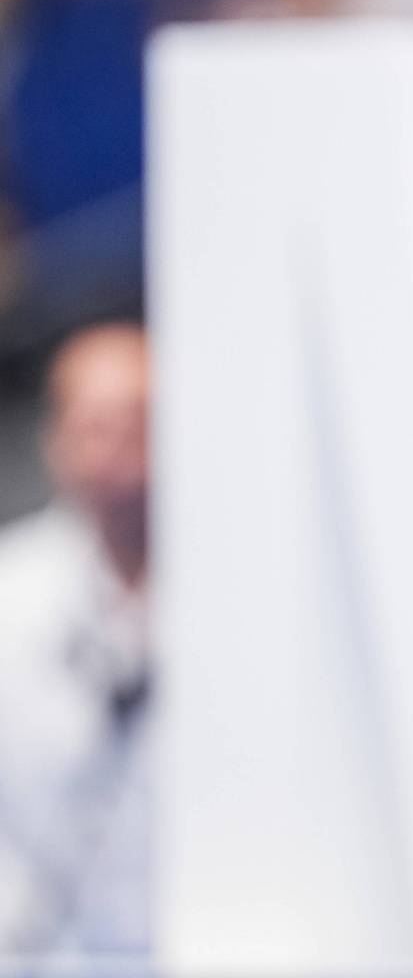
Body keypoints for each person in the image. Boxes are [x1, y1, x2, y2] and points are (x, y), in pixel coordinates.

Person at [0, 322, 152, 959]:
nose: (112, 453)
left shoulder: (247, 594)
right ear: (54, 441)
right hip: (39, 944)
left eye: (135, 425)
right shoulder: (12, 594)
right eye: (91, 426)